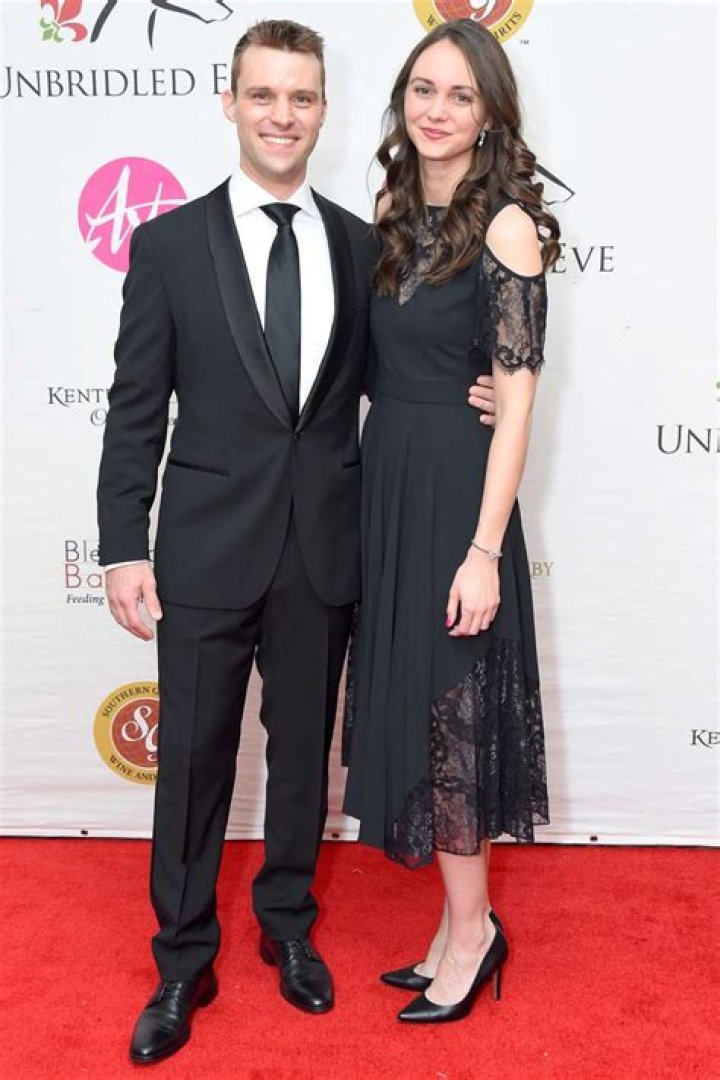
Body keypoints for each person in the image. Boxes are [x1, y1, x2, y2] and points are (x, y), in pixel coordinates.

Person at [97, 16, 499, 1064]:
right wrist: (123, 544)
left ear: (323, 111)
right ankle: (182, 960)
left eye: (303, 97)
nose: (283, 115)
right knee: (192, 762)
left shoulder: (363, 245)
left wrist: (487, 393)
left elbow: (404, 374)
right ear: (230, 103)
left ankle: (286, 926)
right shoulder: (169, 245)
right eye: (264, 94)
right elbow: (135, 408)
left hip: (326, 545)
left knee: (298, 763)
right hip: (204, 547)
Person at [343, 18, 560, 1025]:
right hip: (390, 482)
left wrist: (483, 552)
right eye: (423, 89)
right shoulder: (395, 212)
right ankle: (453, 924)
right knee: (415, 703)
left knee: (451, 711)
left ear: (489, 115)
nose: (436, 110)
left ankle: (473, 935)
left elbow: (515, 409)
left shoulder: (508, 226)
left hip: (455, 500)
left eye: (460, 95)